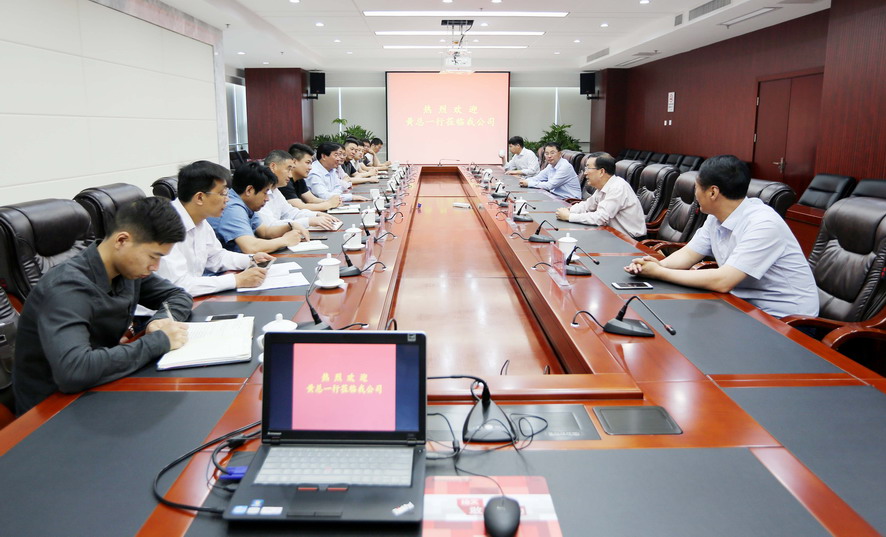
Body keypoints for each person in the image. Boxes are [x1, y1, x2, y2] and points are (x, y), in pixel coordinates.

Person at [13, 197, 192, 414]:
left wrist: (160, 321)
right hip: (51, 409)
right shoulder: (66, 287)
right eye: (153, 256)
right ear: (122, 240)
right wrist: (159, 341)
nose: (155, 266)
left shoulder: (127, 270)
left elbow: (178, 295)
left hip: (100, 382)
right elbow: (74, 370)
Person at [624, 155, 818, 318]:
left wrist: (659, 273)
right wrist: (658, 265)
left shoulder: (763, 224)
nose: (695, 194)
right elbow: (689, 254)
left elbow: (723, 281)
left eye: (696, 187)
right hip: (743, 306)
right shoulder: (716, 217)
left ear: (713, 192)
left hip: (785, 321)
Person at [156, 160, 273, 296]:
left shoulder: (200, 220)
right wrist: (236, 280)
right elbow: (179, 285)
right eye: (223, 193)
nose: (227, 199)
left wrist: (251, 259)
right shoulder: (165, 224)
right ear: (200, 197)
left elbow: (216, 257)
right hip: (166, 304)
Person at [208, 161, 310, 253]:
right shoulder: (233, 208)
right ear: (249, 190)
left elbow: (264, 232)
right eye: (265, 192)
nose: (267, 199)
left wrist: (290, 226)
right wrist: (285, 240)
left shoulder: (246, 203)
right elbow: (250, 247)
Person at [555, 153, 646, 238]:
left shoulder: (618, 188)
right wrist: (569, 210)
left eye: (588, 168)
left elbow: (600, 218)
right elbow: (588, 205)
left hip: (630, 241)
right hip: (611, 234)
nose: (585, 172)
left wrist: (569, 216)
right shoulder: (604, 186)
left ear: (601, 171)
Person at [261, 150, 341, 230]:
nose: (290, 175)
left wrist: (316, 215)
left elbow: (291, 213)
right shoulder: (258, 191)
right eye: (288, 169)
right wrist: (308, 221)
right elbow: (270, 226)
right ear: (273, 167)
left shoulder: (275, 190)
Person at [282, 143, 341, 212]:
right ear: (294, 162)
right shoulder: (285, 181)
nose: (310, 167)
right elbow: (300, 207)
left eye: (311, 163)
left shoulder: (299, 179)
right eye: (307, 163)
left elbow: (311, 199)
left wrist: (332, 202)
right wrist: (329, 204)